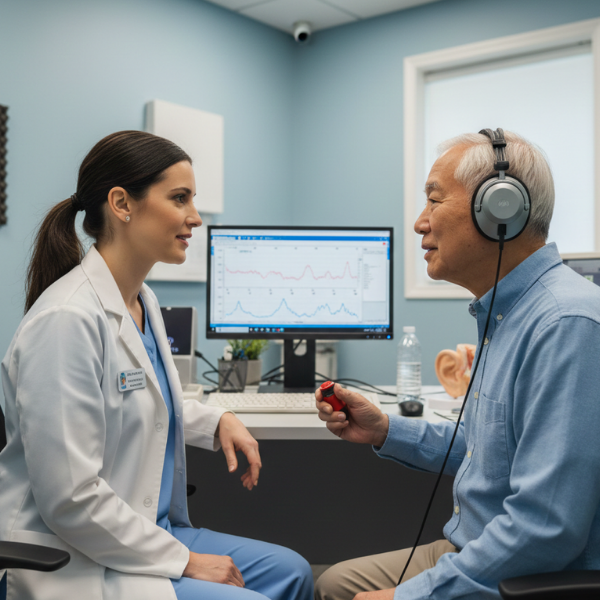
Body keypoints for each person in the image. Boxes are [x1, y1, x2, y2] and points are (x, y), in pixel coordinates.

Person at [0, 131, 313, 600]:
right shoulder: (66, 321)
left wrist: (217, 419)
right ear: (122, 203)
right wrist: (187, 561)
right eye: (180, 198)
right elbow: (70, 498)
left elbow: (140, 398)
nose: (195, 218)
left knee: (293, 571)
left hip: (145, 530)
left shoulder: (142, 300)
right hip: (78, 558)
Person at [314, 130, 600, 600]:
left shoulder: (565, 323)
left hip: (529, 576)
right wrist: (385, 429)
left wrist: (406, 597)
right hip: (479, 549)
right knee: (331, 584)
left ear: (500, 208)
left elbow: (545, 528)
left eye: (434, 201)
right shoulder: (509, 312)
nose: (419, 223)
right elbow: (485, 445)